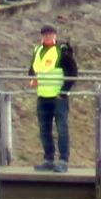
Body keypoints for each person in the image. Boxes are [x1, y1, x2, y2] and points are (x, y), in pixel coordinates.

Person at [30, 24, 75, 172]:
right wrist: (33, 78)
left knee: (62, 128)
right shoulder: (37, 50)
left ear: (55, 35)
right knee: (44, 129)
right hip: (42, 96)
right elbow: (32, 69)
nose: (47, 37)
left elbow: (73, 72)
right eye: (45, 34)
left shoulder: (61, 51)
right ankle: (48, 159)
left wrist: (63, 92)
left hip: (58, 97)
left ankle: (63, 160)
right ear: (41, 36)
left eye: (50, 34)